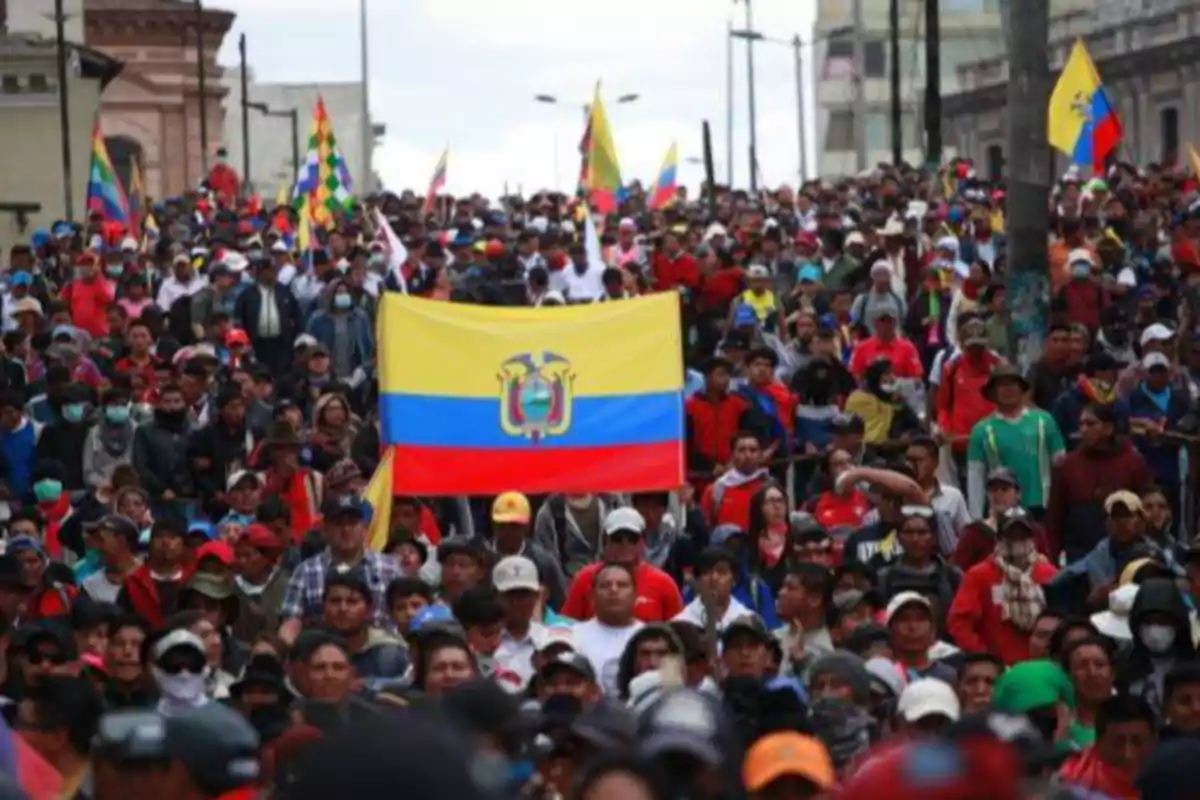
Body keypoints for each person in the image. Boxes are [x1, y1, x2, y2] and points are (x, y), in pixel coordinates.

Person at [278, 495, 403, 643]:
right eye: (338, 524)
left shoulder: (389, 568)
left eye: (353, 523)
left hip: (383, 653)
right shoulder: (306, 571)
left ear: (364, 527)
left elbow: (405, 615)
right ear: (325, 529)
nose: (346, 530)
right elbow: (292, 619)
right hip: (324, 654)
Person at [948, 508, 1058, 664]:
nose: (1018, 540)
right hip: (998, 669)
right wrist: (983, 657)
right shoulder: (979, 575)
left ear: (1033, 538)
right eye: (1011, 535)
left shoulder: (1049, 574)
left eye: (1023, 534)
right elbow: (959, 622)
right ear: (999, 538)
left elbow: (1063, 622)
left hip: (1041, 668)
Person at [1047, 403, 1152, 562]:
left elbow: (1145, 508)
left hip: (1125, 552)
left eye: (1091, 424)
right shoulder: (1069, 464)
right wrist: (1053, 556)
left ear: (1108, 428)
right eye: (1081, 424)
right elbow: (1055, 516)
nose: (1083, 429)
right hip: (1078, 553)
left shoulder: (1132, 462)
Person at [561, 508, 683, 624]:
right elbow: (567, 625)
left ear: (642, 542)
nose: (625, 544)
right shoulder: (585, 579)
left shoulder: (664, 583)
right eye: (617, 538)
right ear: (605, 542)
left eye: (632, 539)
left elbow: (678, 631)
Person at [1057, 694, 1157, 799]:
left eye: (1139, 742)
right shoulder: (1070, 787)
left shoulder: (1171, 781)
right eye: (1117, 743)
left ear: (1154, 741)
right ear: (1098, 742)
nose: (1128, 754)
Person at [571, 562, 644, 697]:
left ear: (635, 595)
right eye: (605, 585)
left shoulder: (650, 636)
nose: (614, 590)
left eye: (622, 585)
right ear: (591, 595)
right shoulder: (573, 636)